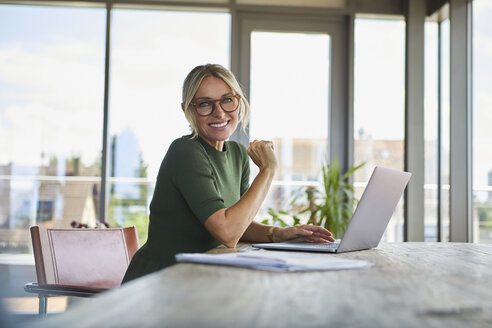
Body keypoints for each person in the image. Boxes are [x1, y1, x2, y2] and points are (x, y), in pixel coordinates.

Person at [122, 64, 334, 283]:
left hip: (201, 277)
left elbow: (239, 225)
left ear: (239, 102)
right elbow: (228, 232)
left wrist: (279, 234)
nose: (219, 112)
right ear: (188, 110)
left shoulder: (237, 154)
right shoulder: (185, 151)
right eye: (205, 104)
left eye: (227, 100)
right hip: (160, 281)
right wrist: (268, 170)